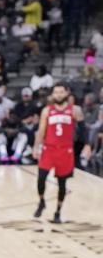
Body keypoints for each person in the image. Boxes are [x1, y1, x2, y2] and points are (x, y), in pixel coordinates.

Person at [33, 83, 85, 223]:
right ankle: (42, 201)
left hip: (65, 150)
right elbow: (41, 131)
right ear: (52, 95)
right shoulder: (46, 110)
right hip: (49, 149)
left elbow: (83, 130)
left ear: (67, 93)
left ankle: (57, 212)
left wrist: (86, 146)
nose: (59, 95)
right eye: (56, 92)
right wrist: (35, 147)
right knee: (41, 178)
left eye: (61, 92)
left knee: (62, 183)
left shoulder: (75, 110)